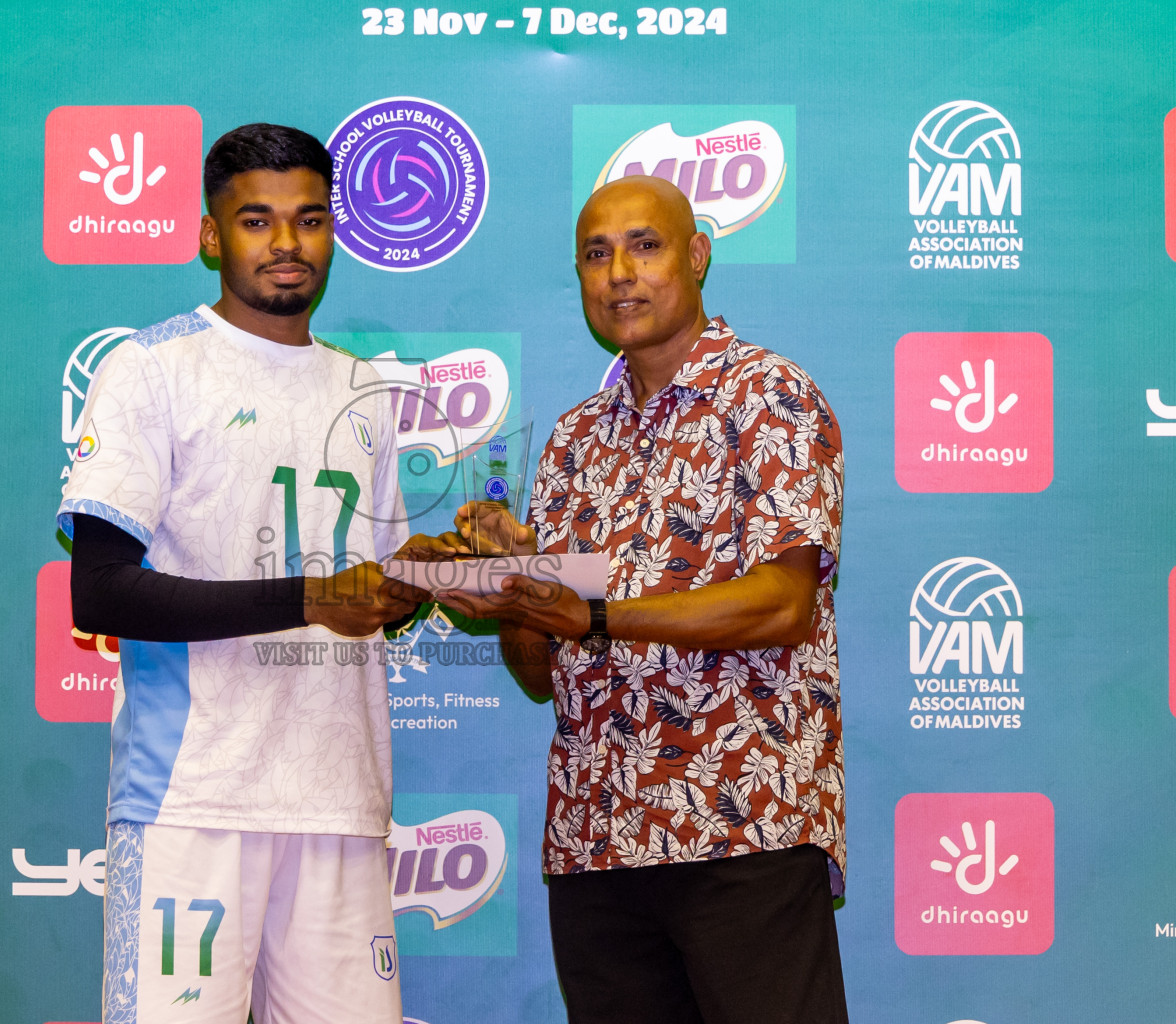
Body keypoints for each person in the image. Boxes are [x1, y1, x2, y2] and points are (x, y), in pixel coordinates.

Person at [436, 175, 849, 1024]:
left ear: (697, 256)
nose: (619, 272)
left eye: (644, 245)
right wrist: (518, 584)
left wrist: (589, 612)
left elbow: (782, 604)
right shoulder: (573, 440)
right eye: (596, 254)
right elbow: (540, 675)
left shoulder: (770, 396)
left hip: (743, 832)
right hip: (595, 847)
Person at [58, 123, 435, 1024]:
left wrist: (437, 570)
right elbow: (101, 589)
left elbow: (376, 603)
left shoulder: (366, 391)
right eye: (257, 220)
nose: (286, 244)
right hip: (194, 801)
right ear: (209, 235)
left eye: (308, 220)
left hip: (340, 798)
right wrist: (312, 596)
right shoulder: (151, 370)